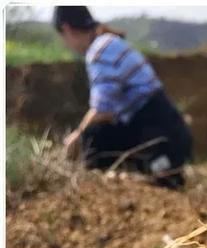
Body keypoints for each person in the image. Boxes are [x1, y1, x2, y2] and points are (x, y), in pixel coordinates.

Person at [54, 6, 192, 188]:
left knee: (91, 136)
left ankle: (117, 182)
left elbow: (103, 110)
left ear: (67, 29)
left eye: (63, 38)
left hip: (161, 136)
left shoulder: (99, 52)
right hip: (165, 130)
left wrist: (76, 137)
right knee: (96, 135)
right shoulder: (108, 42)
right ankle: (128, 178)